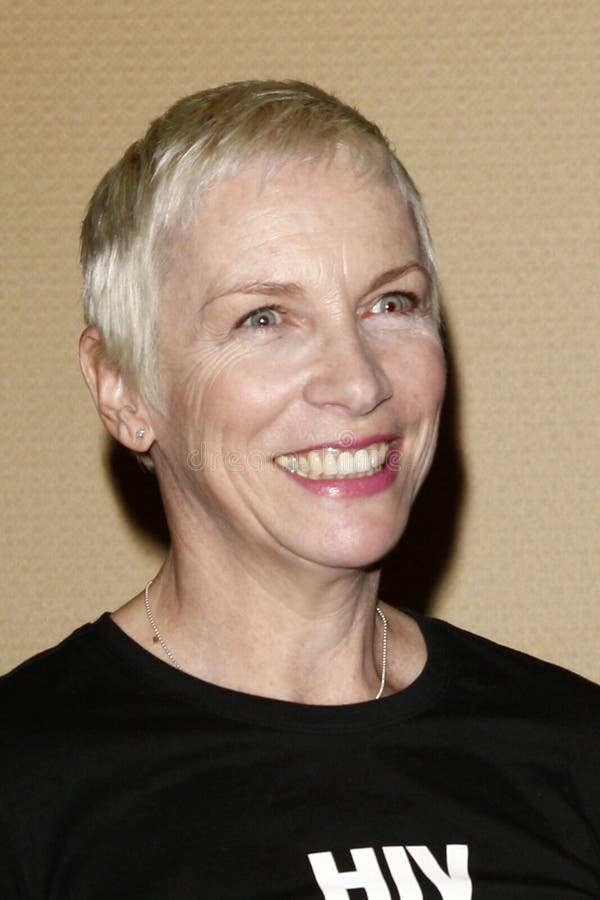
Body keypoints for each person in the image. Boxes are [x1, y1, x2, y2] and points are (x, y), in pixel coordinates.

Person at [1, 80, 598, 899]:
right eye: (264, 318)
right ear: (122, 390)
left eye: (392, 302)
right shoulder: (26, 779)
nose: (358, 383)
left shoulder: (570, 752)